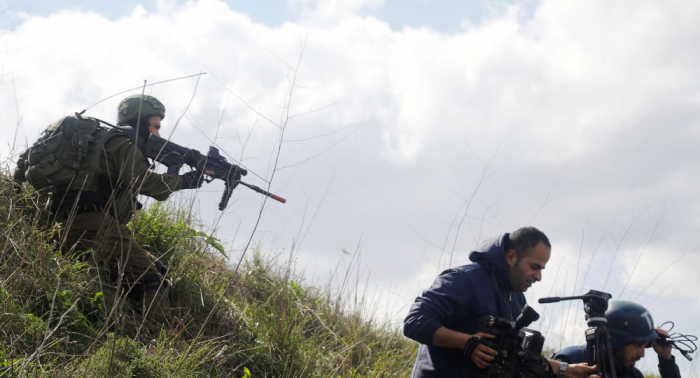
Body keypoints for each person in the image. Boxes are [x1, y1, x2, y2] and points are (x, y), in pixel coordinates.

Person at [13, 94, 206, 323]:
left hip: (53, 226)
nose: (157, 133)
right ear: (140, 121)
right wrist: (186, 181)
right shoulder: (123, 144)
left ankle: (123, 314)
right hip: (93, 225)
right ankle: (160, 340)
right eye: (155, 126)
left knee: (155, 266)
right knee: (152, 279)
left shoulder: (92, 139)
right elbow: (148, 184)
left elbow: (22, 166)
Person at [403, 226, 598, 378]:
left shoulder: (517, 298)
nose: (538, 277)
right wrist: (467, 343)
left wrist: (566, 370)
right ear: (511, 257)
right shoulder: (463, 280)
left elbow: (515, 353)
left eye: (542, 269)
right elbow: (415, 321)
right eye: (534, 267)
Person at [552, 301, 682, 378]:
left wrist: (666, 360)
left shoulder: (633, 375)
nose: (642, 354)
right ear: (615, 340)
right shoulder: (570, 360)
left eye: (645, 345)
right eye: (637, 345)